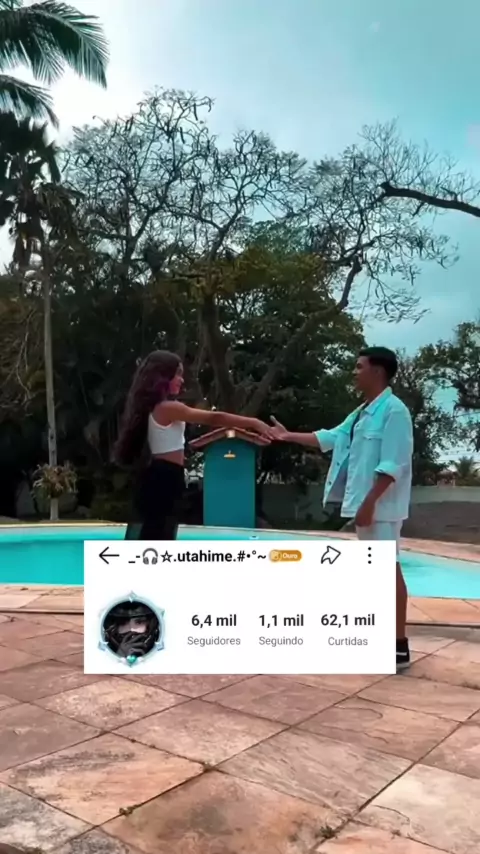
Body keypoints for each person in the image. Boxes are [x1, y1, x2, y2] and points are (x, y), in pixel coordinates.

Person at [270, 346, 413, 671]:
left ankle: (398, 647)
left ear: (377, 372)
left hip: (380, 507)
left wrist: (370, 503)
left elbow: (394, 464)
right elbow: (332, 437)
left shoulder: (394, 411)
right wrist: (287, 436)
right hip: (367, 504)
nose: (354, 372)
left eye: (359, 367)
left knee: (388, 570)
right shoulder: (363, 412)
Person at [114, 350, 273, 540]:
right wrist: (254, 422)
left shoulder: (152, 407)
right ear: (163, 376)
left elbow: (178, 441)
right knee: (158, 534)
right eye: (177, 374)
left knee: (153, 533)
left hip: (159, 475)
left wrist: (252, 437)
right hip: (164, 477)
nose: (181, 380)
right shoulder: (167, 408)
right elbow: (214, 417)